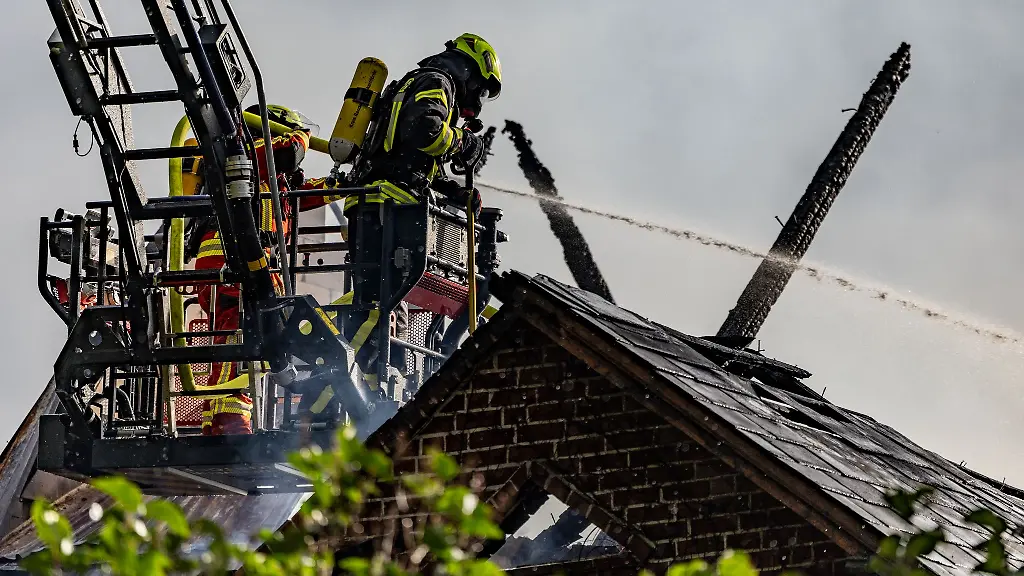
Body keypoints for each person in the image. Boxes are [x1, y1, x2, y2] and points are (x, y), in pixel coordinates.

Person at [297, 33, 502, 419]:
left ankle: (366, 385)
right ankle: (320, 400)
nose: (477, 100)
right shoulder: (438, 81)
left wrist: (453, 191)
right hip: (387, 208)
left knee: (378, 307)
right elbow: (425, 130)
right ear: (472, 71)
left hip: (381, 203)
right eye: (481, 88)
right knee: (376, 306)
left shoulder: (417, 84)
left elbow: (402, 157)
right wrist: (462, 143)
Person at [186, 104, 344, 435]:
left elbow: (301, 196)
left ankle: (216, 421)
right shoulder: (243, 154)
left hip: (242, 268)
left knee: (243, 338)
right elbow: (287, 152)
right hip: (231, 266)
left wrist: (339, 184)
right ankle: (229, 420)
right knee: (240, 335)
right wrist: (302, 137)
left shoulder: (269, 181)